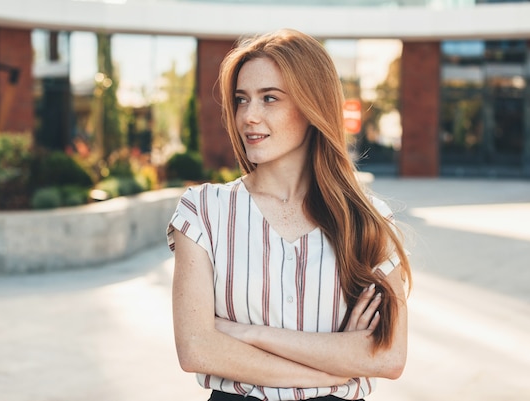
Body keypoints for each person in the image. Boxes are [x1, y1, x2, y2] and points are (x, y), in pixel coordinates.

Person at [167, 28, 412, 401]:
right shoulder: (203, 211)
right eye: (241, 99)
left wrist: (248, 333)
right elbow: (197, 350)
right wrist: (338, 363)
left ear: (312, 106)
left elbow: (389, 357)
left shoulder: (368, 220)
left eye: (270, 98)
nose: (249, 116)